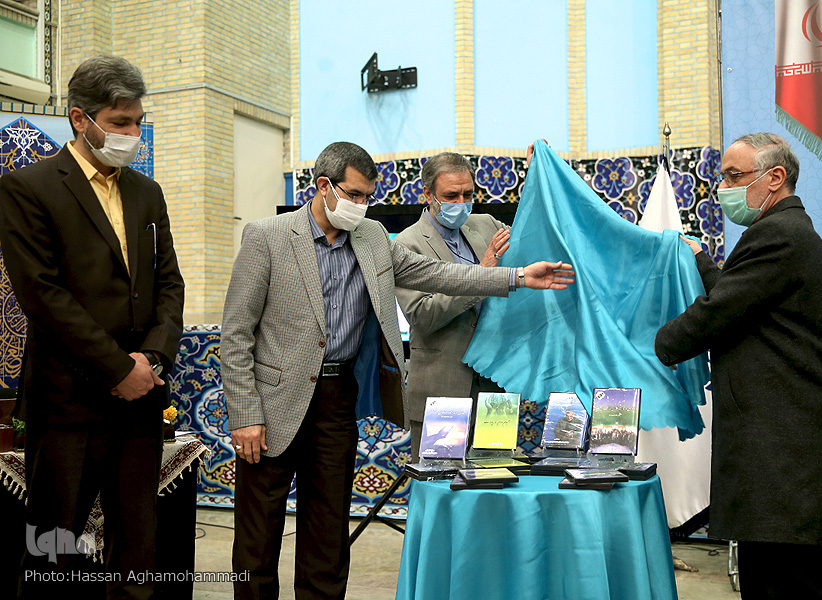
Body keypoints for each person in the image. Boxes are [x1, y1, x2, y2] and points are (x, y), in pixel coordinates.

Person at [221, 141, 573, 600]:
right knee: (259, 532)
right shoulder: (266, 236)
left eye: (368, 197)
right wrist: (246, 414)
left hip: (337, 400)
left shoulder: (371, 237)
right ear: (324, 186)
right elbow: (236, 334)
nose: (361, 205)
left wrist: (518, 276)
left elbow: (439, 275)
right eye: (353, 194)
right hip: (273, 405)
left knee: (328, 530)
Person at [0, 55, 185, 598]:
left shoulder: (146, 193)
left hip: (140, 400)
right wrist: (116, 368)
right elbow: (43, 296)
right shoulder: (28, 188)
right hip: (68, 402)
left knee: (137, 558)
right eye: (119, 122)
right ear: (80, 119)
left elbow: (169, 284)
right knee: (51, 555)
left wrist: (151, 359)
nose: (132, 134)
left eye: (137, 122)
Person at [654, 133, 822, 599]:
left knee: (785, 584)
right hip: (785, 459)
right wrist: (702, 261)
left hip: (783, 462)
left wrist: (647, 343)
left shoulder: (777, 234)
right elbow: (744, 300)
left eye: (734, 176)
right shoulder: (786, 231)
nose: (723, 188)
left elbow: (718, 313)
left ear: (774, 177)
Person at [394, 147, 541, 461]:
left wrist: (537, 176)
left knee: (496, 473)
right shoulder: (406, 243)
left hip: (495, 387)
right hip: (442, 389)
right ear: (428, 194)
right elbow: (422, 315)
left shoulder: (486, 225)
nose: (461, 203)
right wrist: (482, 274)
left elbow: (534, 239)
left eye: (468, 194)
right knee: (439, 479)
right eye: (451, 196)